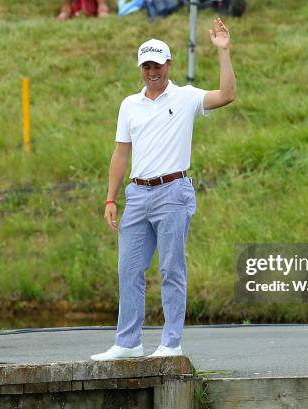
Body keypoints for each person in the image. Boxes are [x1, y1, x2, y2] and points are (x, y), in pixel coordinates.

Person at [90, 18, 236, 361]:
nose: (152, 71)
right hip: (137, 195)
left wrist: (224, 53)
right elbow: (121, 152)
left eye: (158, 64)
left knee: (171, 269)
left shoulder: (185, 97)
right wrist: (110, 197)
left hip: (173, 191)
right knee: (129, 268)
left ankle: (171, 344)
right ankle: (128, 343)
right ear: (141, 68)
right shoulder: (130, 104)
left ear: (169, 64)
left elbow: (227, 95)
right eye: (147, 66)